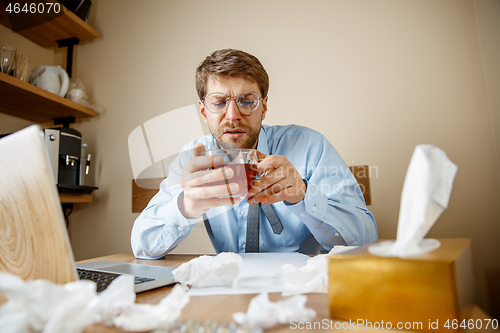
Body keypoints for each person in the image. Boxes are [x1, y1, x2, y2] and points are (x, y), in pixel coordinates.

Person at [131, 49, 377, 259]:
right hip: (229, 290)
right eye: (218, 102)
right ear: (204, 111)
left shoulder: (311, 146)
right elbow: (142, 246)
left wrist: (303, 194)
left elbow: (366, 240)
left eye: (247, 100)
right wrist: (185, 207)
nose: (233, 115)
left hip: (302, 289)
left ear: (264, 107)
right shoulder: (193, 159)